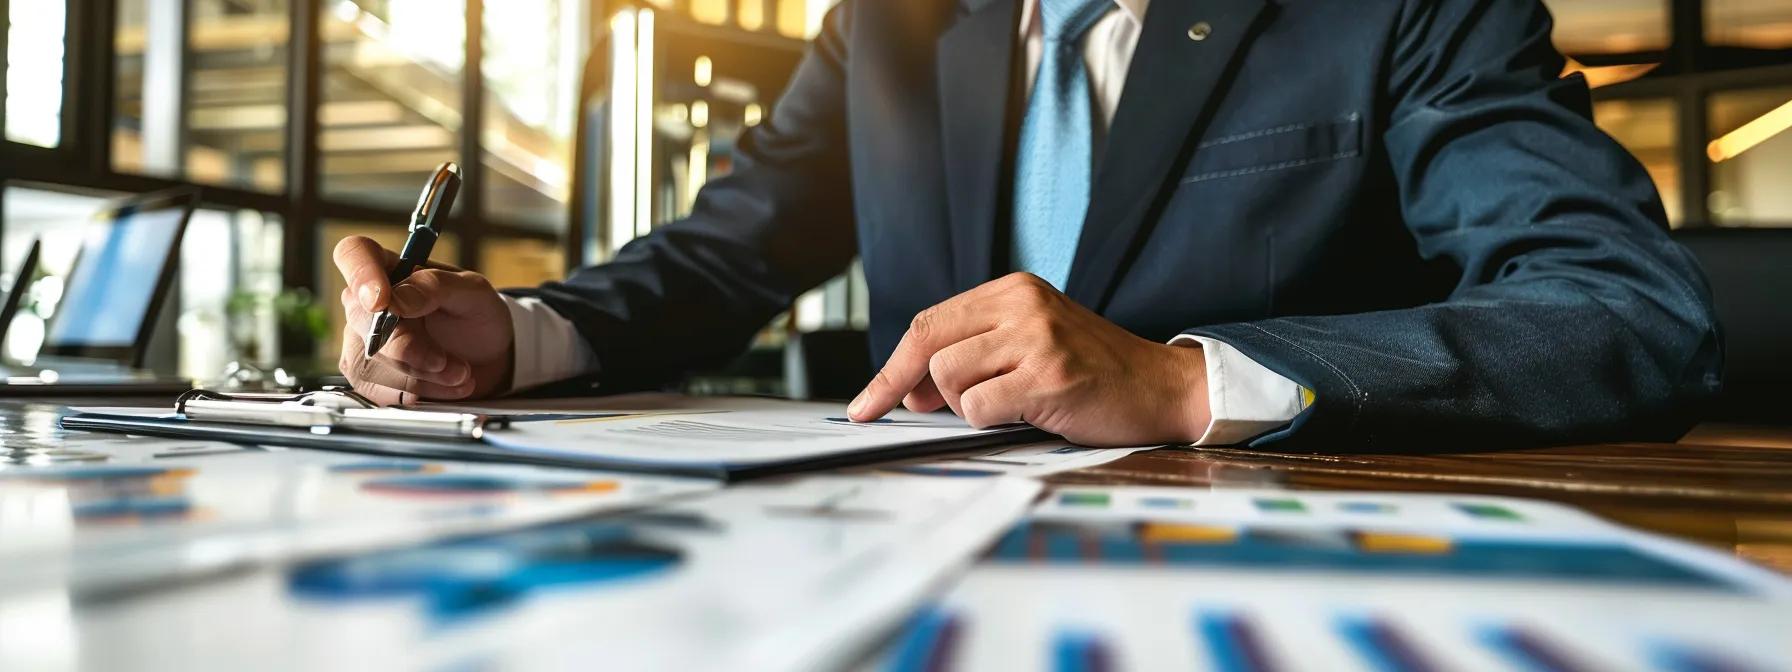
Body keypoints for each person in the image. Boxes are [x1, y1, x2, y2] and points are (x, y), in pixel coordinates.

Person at [333, 0, 1720, 450]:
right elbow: (728, 250)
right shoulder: (889, 25)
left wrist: (1184, 381)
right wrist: (519, 334)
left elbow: (1625, 312)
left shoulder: (1405, 11)